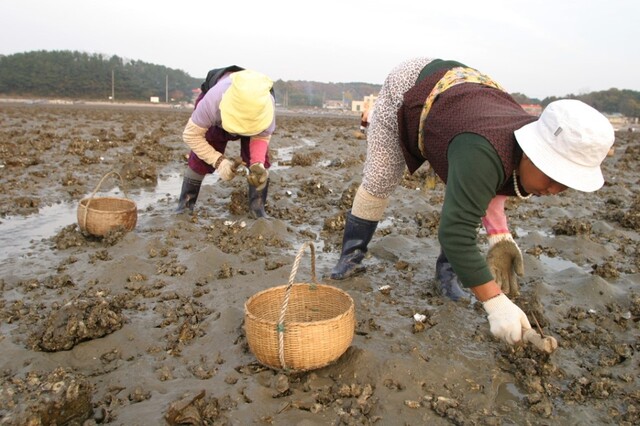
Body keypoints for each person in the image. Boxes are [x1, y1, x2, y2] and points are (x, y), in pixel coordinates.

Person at [329, 57, 615, 345]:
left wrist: (499, 236)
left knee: (466, 189)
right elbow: (456, 232)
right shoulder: (481, 150)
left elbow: (491, 182)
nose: (554, 189)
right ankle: (351, 256)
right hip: (412, 84)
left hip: (465, 107)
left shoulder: (507, 146)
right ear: (531, 151)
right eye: (552, 176)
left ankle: (447, 274)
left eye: (566, 183)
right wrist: (495, 304)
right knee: (381, 177)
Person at [176, 67, 276, 218]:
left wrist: (257, 163)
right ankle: (185, 207)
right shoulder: (212, 101)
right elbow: (191, 135)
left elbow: (261, 137)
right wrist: (219, 162)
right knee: (202, 153)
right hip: (218, 119)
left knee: (259, 165)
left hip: (254, 117)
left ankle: (258, 209)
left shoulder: (266, 105)